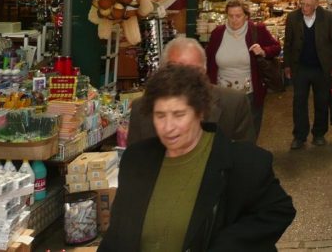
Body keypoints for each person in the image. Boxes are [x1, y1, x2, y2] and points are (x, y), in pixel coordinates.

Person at [101, 65, 295, 251]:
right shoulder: (136, 161)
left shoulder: (243, 162)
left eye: (179, 115)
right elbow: (117, 235)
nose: (168, 127)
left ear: (200, 112)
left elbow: (278, 211)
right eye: (160, 116)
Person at [128, 37, 256, 145]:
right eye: (176, 70)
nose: (184, 78)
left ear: (204, 71)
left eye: (193, 71)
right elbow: (135, 165)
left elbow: (245, 160)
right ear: (163, 71)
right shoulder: (141, 108)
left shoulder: (234, 104)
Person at [205, 0, 281, 139]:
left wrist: (263, 51)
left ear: (246, 16)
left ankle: (246, 159)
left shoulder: (257, 30)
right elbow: (209, 60)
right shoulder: (217, 33)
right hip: (222, 94)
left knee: (248, 134)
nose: (234, 20)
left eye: (238, 16)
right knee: (222, 133)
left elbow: (276, 47)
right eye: (231, 16)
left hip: (250, 93)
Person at [283, 0, 332, 149]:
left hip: (321, 68)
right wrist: (287, 65)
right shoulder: (293, 17)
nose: (305, 8)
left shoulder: (328, 17)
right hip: (300, 67)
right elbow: (287, 43)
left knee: (322, 102)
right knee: (299, 102)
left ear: (316, 4)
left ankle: (319, 134)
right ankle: (300, 136)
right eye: (302, 4)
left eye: (308, 5)